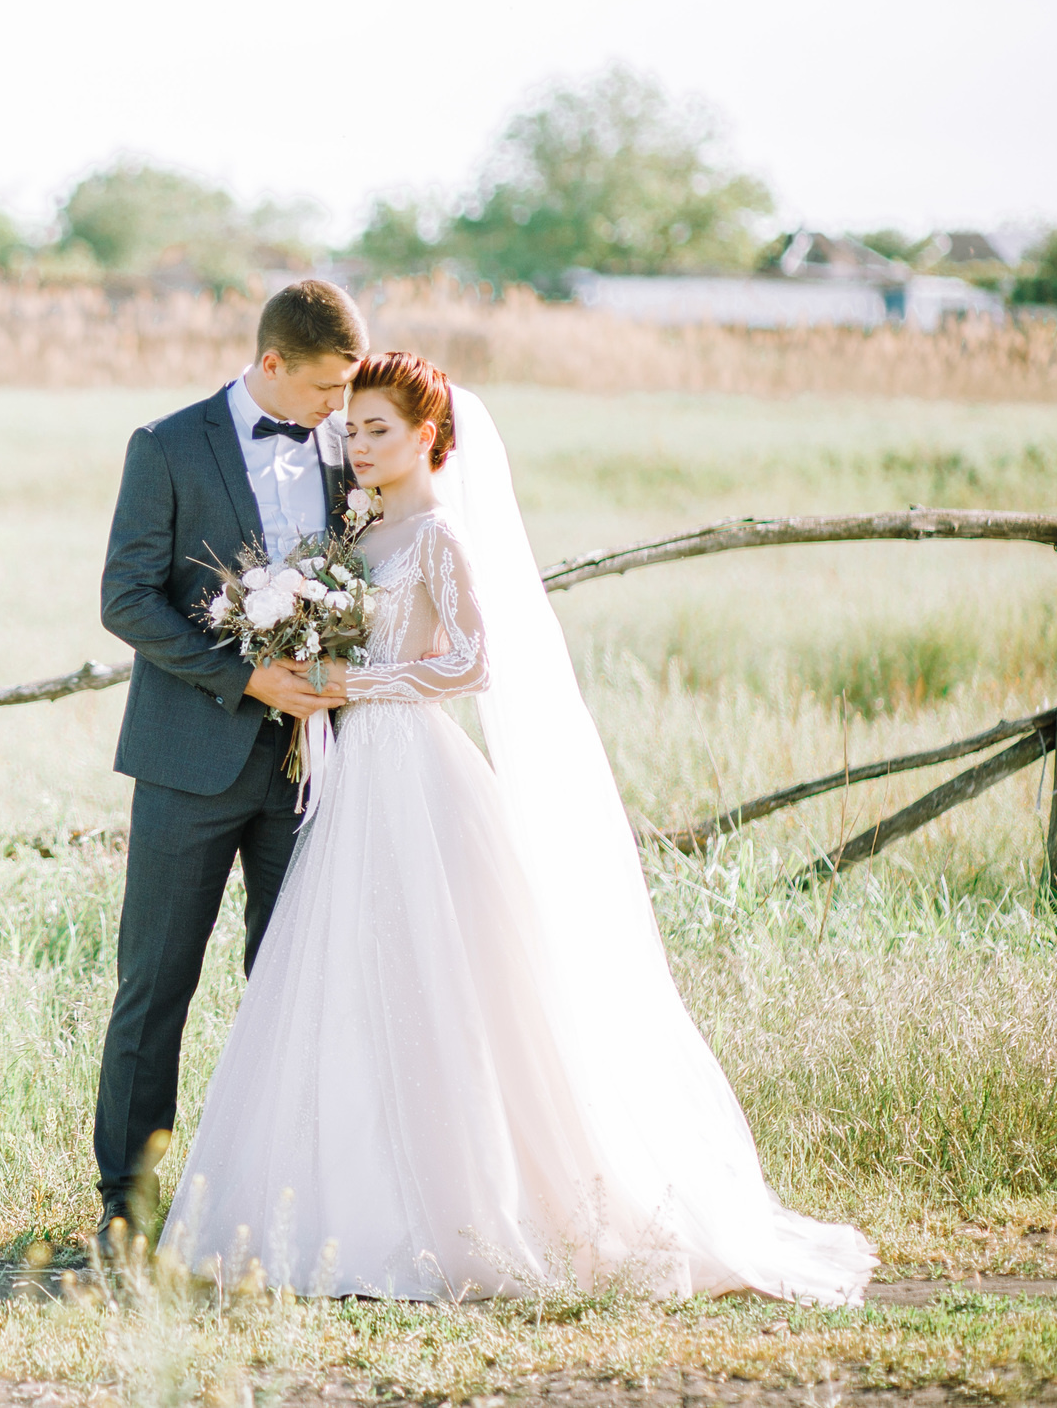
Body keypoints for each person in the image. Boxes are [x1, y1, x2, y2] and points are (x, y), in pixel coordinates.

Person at [157, 351, 877, 1304]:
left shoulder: (439, 536)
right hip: (357, 774)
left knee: (448, 980)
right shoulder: (361, 540)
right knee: (358, 973)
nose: (360, 446)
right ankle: (349, 1196)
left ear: (428, 435)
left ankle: (473, 1205)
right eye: (353, 430)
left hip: (415, 767)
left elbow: (468, 665)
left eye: (378, 429)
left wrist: (351, 683)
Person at [91, 279, 366, 1252]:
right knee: (153, 986)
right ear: (272, 365)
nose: (339, 409)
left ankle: (279, 1196)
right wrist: (244, 678)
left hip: (307, 768)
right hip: (185, 762)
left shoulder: (344, 452)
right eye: (328, 389)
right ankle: (126, 1202)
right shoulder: (164, 447)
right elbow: (125, 600)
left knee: (293, 982)